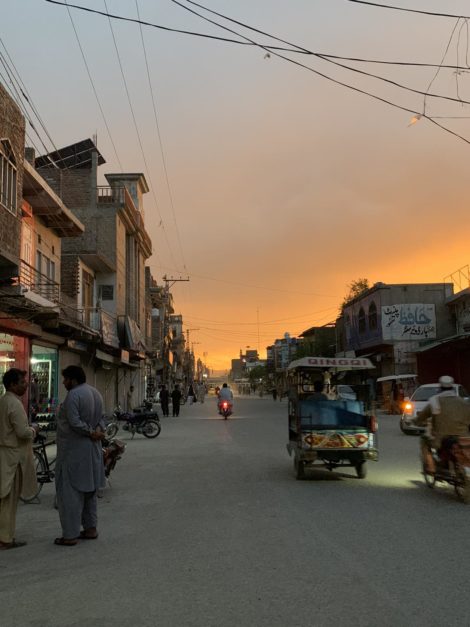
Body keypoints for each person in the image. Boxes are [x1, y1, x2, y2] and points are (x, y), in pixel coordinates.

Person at [54, 365, 106, 546]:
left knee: (70, 495)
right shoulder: (95, 393)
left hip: (74, 452)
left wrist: (91, 432)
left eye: (65, 379)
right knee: (89, 492)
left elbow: (75, 423)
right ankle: (91, 529)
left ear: (73, 380)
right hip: (93, 451)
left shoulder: (73, 396)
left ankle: (70, 535)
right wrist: (97, 432)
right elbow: (102, 419)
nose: (63, 382)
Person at [0, 368, 38, 550]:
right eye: (22, 382)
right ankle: (5, 539)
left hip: (5, 455)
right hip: (12, 458)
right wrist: (33, 430)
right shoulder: (14, 404)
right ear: (12, 385)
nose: (26, 385)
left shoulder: (4, 401)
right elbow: (23, 432)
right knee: (8, 499)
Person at [415, 375, 470, 450]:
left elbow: (421, 417)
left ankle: (429, 461)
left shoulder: (435, 401)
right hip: (463, 439)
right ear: (452, 388)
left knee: (424, 440)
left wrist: (416, 421)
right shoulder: (463, 402)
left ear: (440, 388)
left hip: (441, 440)